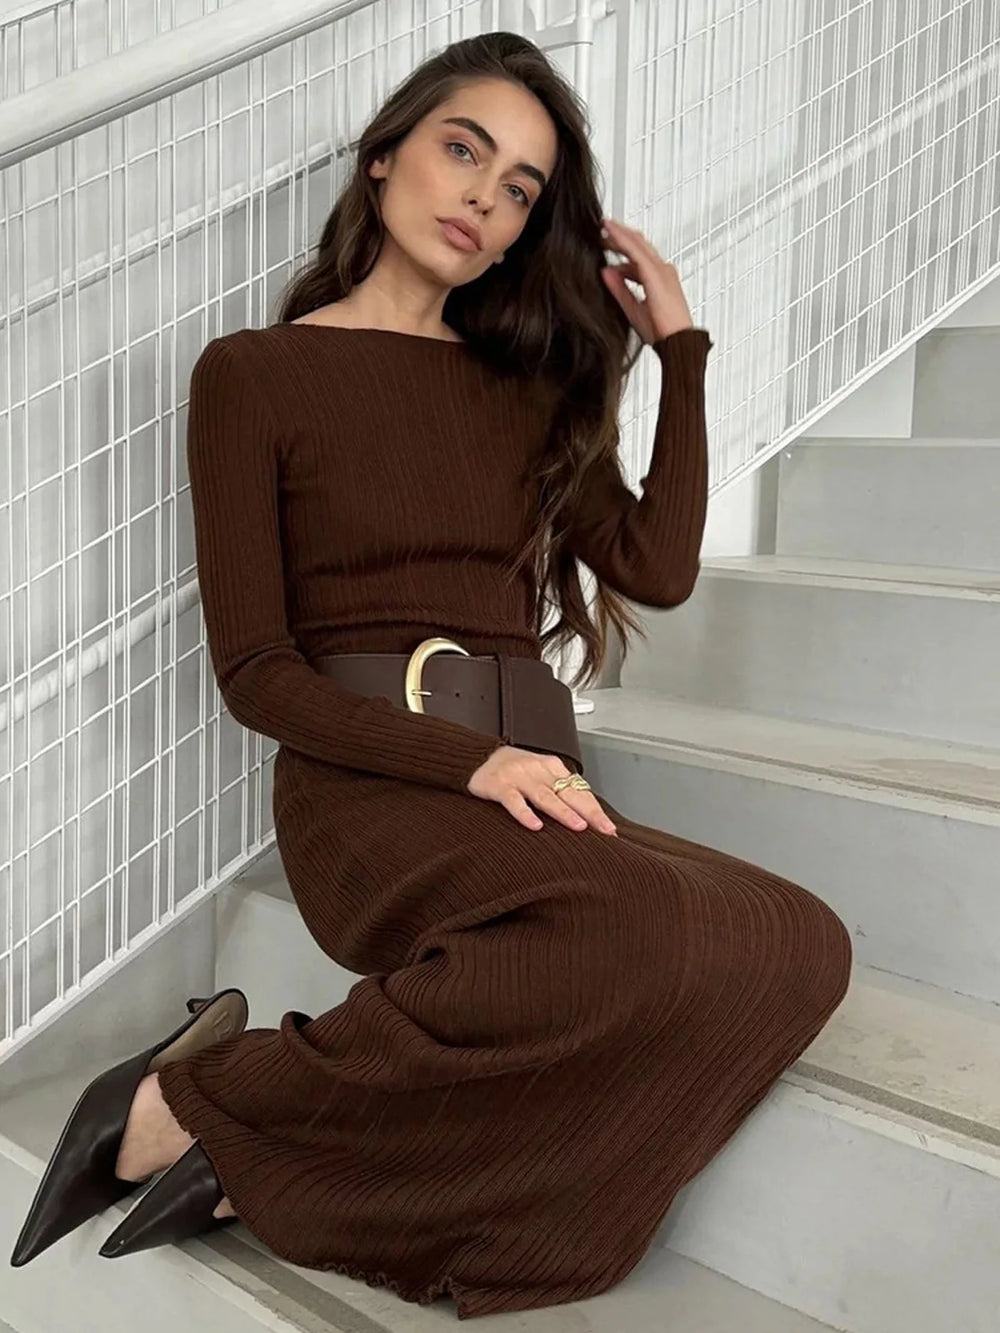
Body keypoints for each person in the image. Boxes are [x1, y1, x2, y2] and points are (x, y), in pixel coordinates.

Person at [11, 31, 851, 1320]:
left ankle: (235, 1132)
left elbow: (659, 567)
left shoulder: (525, 389)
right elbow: (256, 673)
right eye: (465, 150)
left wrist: (679, 352)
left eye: (519, 188)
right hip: (372, 790)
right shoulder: (256, 374)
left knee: (798, 942)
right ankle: (191, 1105)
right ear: (384, 154)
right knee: (627, 934)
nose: (483, 198)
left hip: (531, 782)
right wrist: (469, 761)